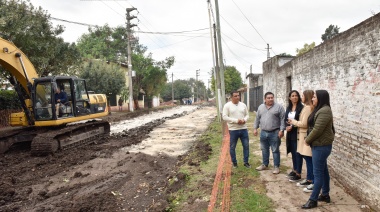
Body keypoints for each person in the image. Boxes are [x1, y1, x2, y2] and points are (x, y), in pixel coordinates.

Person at [301, 90, 335, 209]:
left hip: (321, 146)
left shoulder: (325, 110)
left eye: (314, 97)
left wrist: (307, 140)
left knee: (318, 173)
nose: (313, 99)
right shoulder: (320, 109)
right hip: (319, 145)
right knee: (323, 170)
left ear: (320, 98)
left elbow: (317, 129)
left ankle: (313, 199)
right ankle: (325, 194)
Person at [253, 92, 285, 174]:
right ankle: (265, 164)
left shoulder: (279, 107)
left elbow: (282, 119)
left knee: (275, 150)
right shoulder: (261, 107)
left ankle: (276, 167)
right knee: (264, 149)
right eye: (269, 98)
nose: (271, 99)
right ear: (265, 99)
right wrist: (255, 128)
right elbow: (257, 118)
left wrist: (281, 130)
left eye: (272, 97)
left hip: (275, 132)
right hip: (263, 132)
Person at [288, 90, 314, 190]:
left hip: (304, 136)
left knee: (308, 159)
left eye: (302, 95)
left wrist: (293, 122)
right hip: (302, 135)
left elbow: (304, 124)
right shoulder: (306, 107)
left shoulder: (307, 108)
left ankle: (310, 179)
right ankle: (309, 178)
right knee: (307, 158)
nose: (301, 97)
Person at [222, 91, 250, 168]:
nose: (238, 97)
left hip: (243, 129)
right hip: (233, 130)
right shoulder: (227, 106)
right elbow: (224, 117)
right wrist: (236, 121)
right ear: (231, 97)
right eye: (235, 96)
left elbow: (247, 115)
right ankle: (234, 163)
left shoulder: (243, 105)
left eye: (238, 96)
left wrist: (244, 120)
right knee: (232, 147)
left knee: (246, 146)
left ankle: (246, 162)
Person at [284, 90, 304, 182]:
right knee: (292, 152)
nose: (294, 97)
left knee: (298, 153)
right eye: (292, 96)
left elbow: (302, 122)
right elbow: (285, 120)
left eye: (296, 95)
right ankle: (294, 169)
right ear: (289, 98)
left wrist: (294, 125)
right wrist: (286, 127)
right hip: (290, 133)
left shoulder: (301, 108)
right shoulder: (289, 107)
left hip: (297, 133)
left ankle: (298, 173)